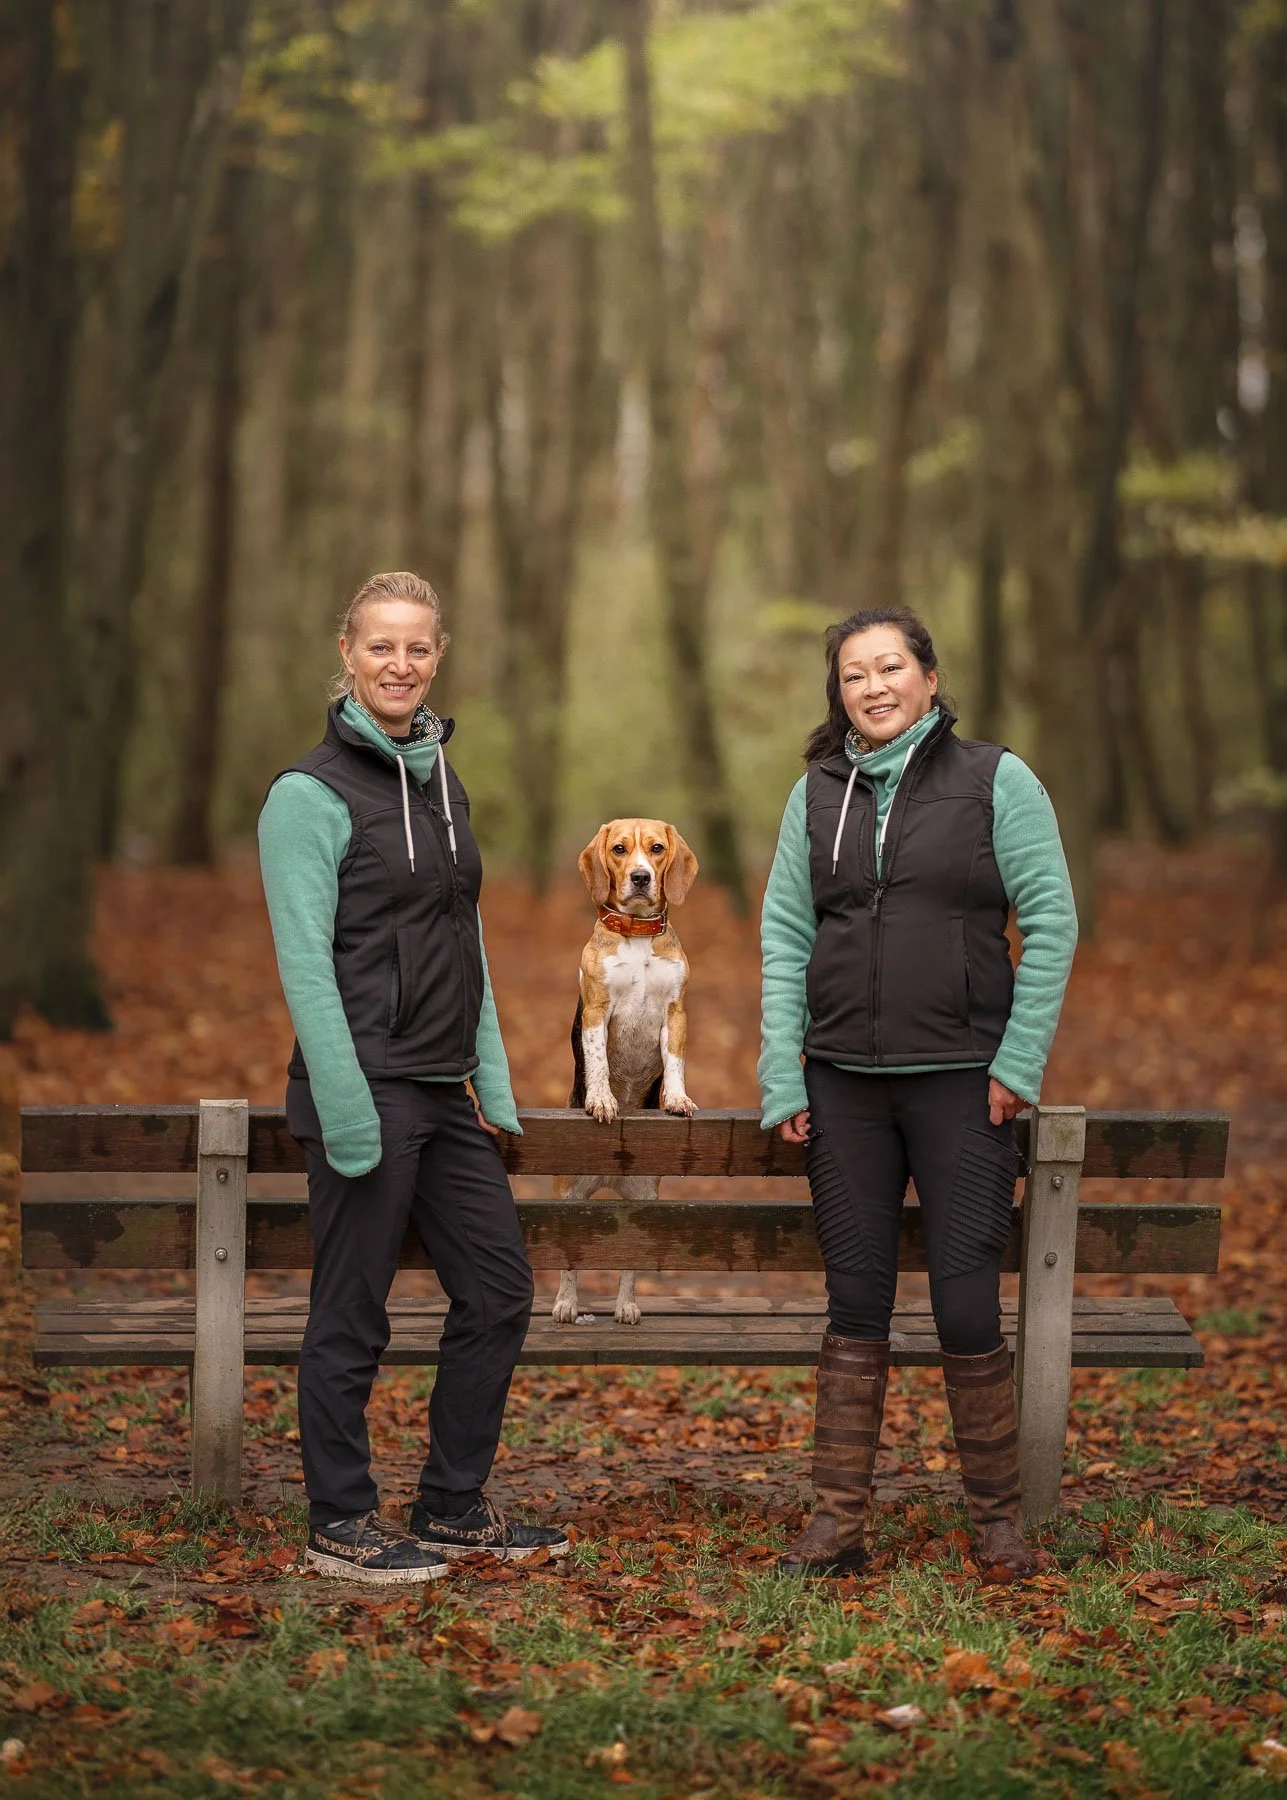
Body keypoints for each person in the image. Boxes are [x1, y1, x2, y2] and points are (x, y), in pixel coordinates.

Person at [259, 570, 567, 1584]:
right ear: (347, 653)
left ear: (439, 657)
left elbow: (459, 930)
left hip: (441, 1089)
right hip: (362, 1087)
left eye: (418, 648)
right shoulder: (307, 795)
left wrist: (493, 1079)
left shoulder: (440, 776)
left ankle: (449, 1504)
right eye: (381, 646)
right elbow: (307, 962)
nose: (401, 664)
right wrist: (348, 1109)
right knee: (352, 1313)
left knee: (500, 1291)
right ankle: (340, 1518)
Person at [758, 604, 1077, 1578]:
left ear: (930, 679)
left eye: (890, 667)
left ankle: (996, 1526)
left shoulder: (997, 781)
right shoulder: (815, 794)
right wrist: (784, 1069)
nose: (873, 686)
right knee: (855, 1300)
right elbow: (784, 937)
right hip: (844, 1087)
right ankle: (836, 1526)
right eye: (854, 674)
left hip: (962, 1087)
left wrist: (1018, 1066)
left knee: (967, 1307)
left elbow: (1053, 922)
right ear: (839, 694)